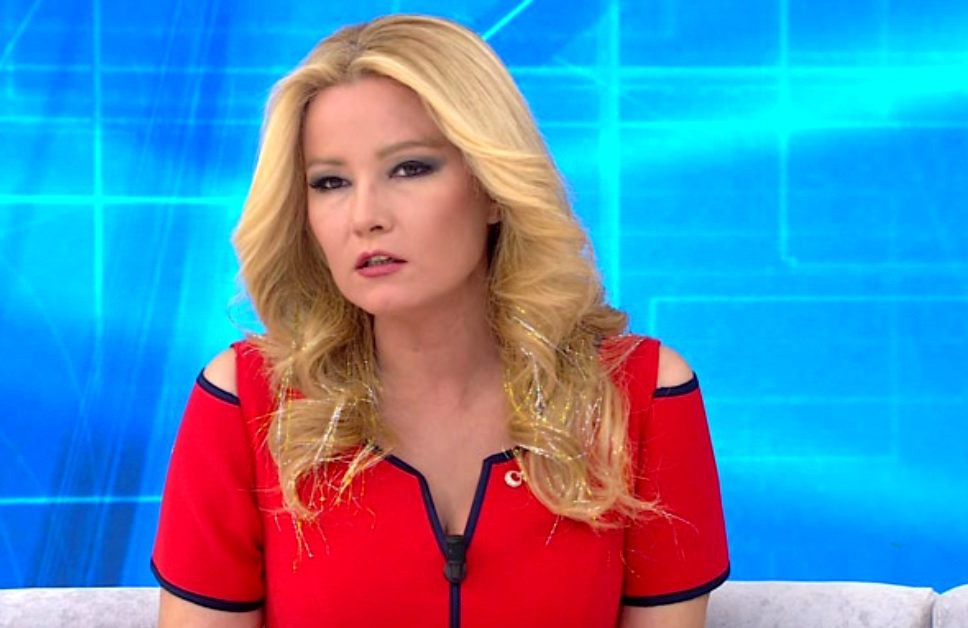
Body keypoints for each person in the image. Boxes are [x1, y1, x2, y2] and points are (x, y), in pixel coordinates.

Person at [151, 13, 729, 628]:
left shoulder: (642, 397)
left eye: (410, 168)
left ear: (492, 188)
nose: (365, 216)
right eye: (330, 182)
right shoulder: (247, 404)